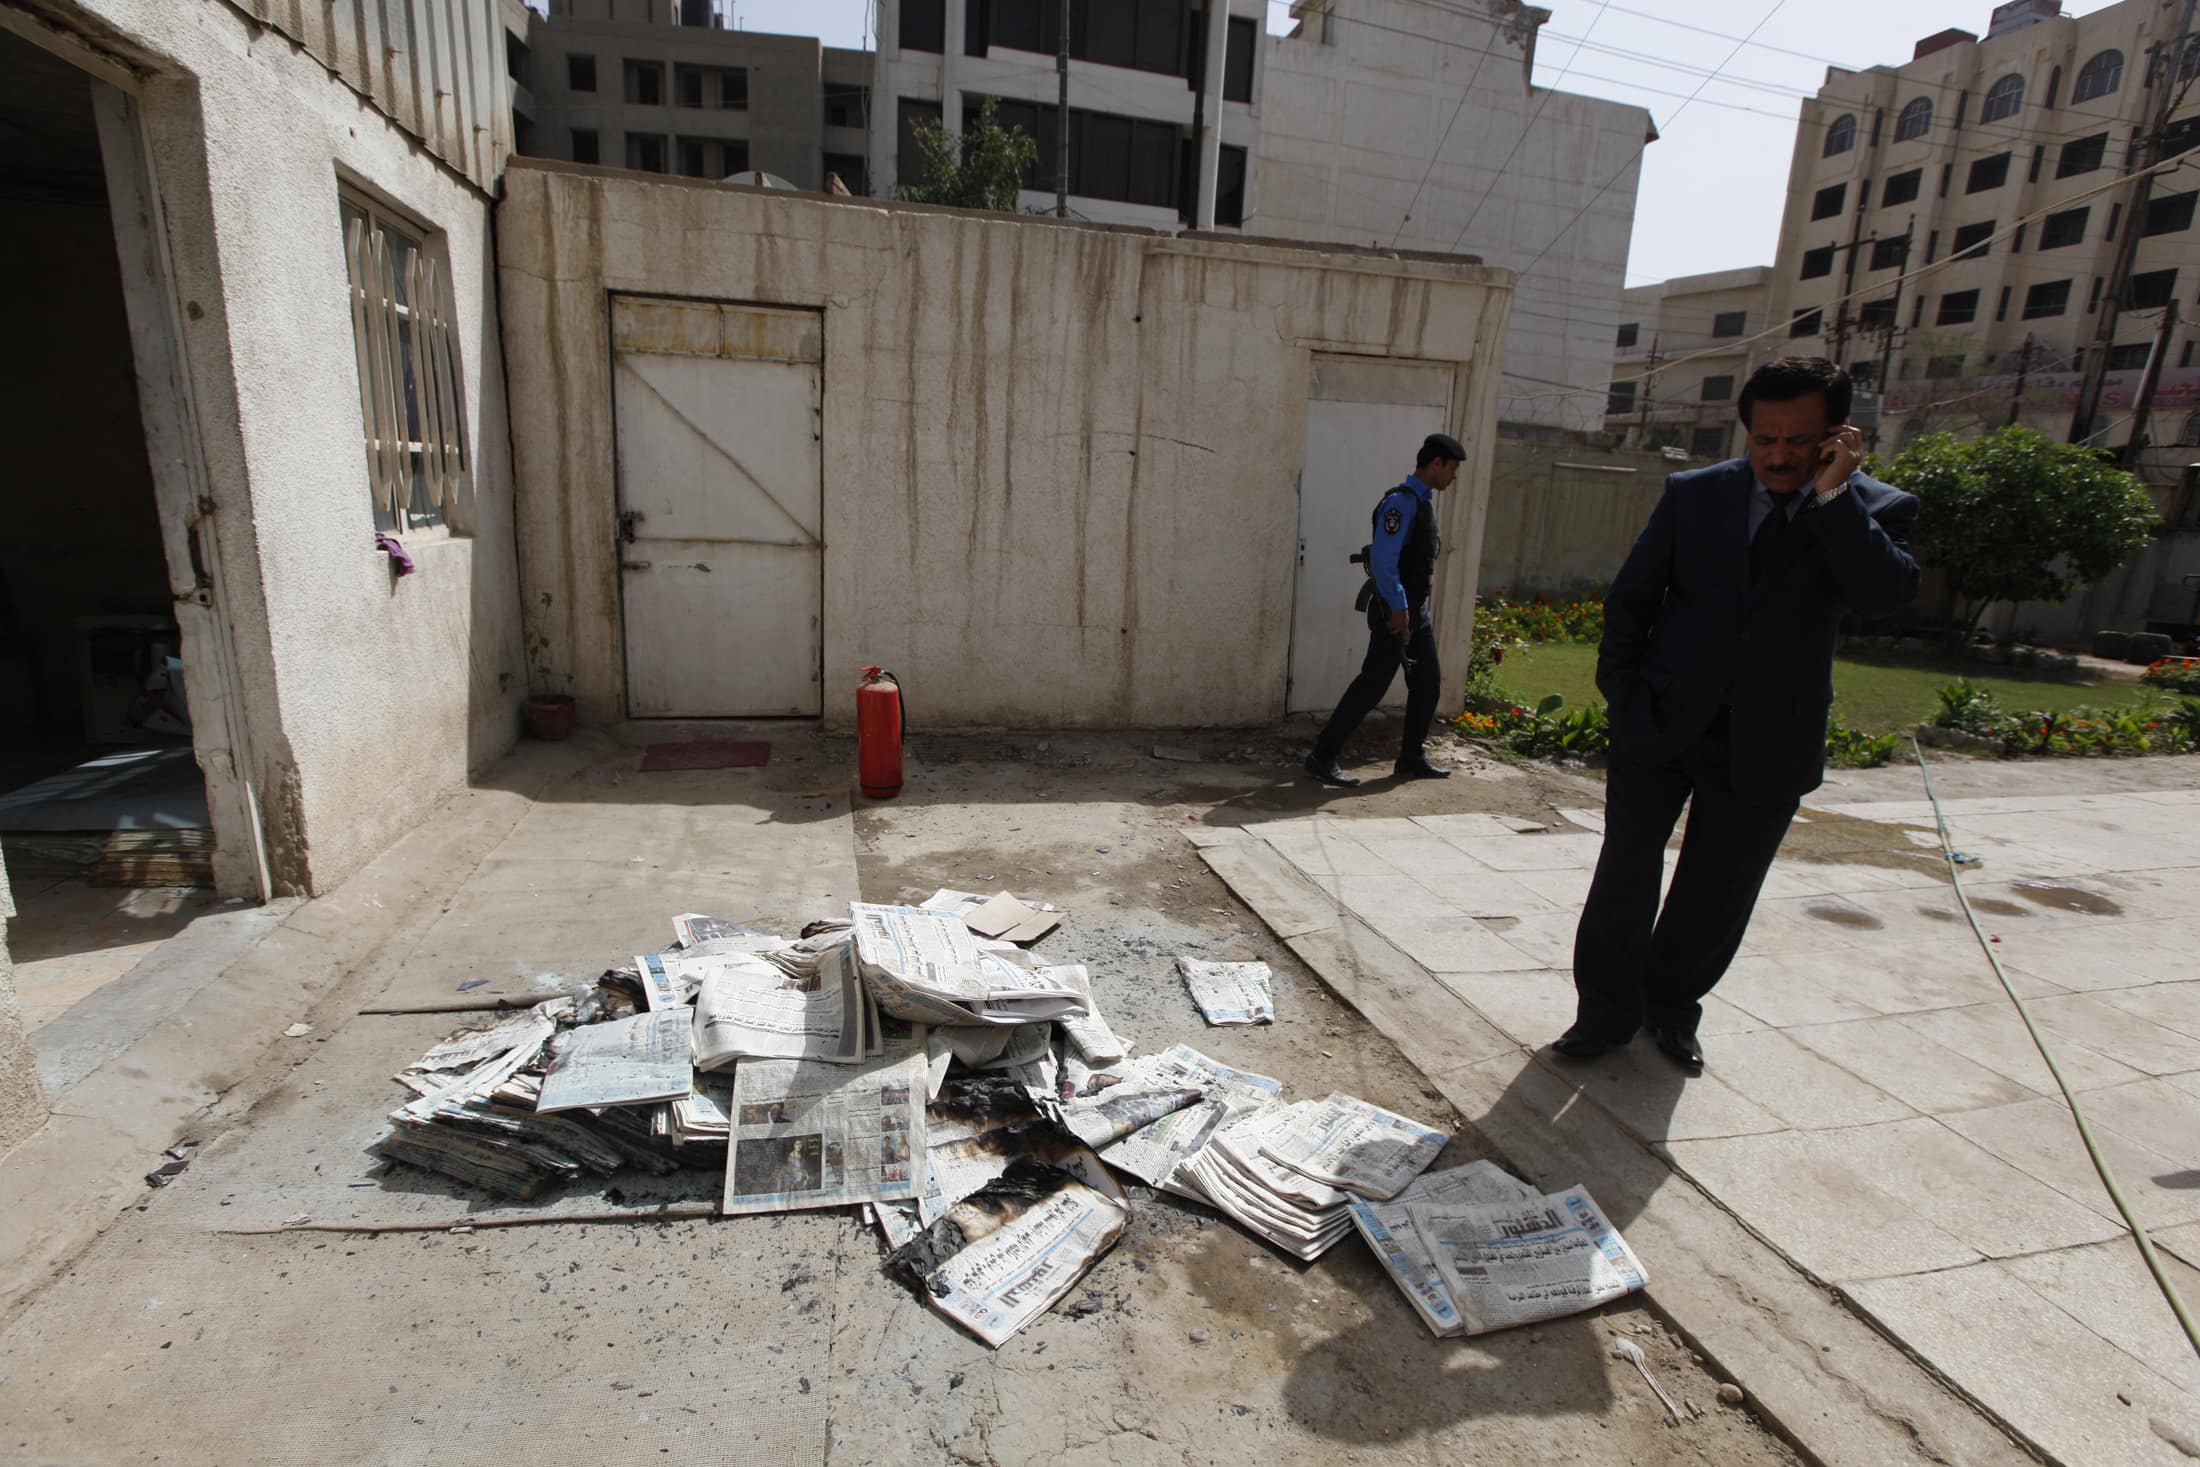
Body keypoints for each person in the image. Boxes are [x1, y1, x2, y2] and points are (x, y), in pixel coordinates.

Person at [1555, 358, 1920, 1069]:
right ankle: (1603, 1014)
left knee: (1718, 890)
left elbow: (1883, 594)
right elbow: (1633, 598)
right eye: (1764, 439)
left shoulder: (1876, 508)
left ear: (1839, 436)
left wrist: (1834, 495)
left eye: (1800, 441)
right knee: (1625, 875)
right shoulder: (1696, 495)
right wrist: (1624, 693)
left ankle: (1670, 1007)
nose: (1779, 455)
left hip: (1770, 739)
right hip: (1660, 720)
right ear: (1747, 431)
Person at [1304, 433, 1468, 787]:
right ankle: (1323, 754)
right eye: (1451, 468)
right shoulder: (1401, 503)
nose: (1454, 476)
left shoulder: (1421, 502)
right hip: (1395, 612)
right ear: (1435, 464)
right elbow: (1383, 560)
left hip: (1413, 612)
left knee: (1427, 684)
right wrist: (1398, 608)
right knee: (1372, 685)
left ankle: (1411, 758)